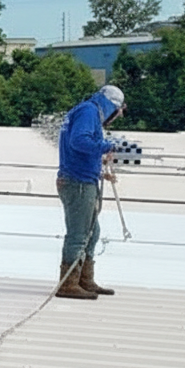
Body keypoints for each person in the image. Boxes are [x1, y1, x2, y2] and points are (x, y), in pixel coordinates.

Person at [55, 83, 126, 299]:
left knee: (92, 232)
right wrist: (106, 146)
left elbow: (80, 144)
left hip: (83, 179)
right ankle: (68, 282)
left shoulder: (86, 110)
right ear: (112, 106)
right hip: (78, 183)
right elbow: (80, 141)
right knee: (79, 234)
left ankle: (85, 280)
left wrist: (99, 160)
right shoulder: (89, 112)